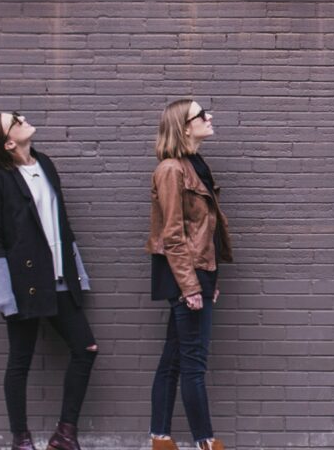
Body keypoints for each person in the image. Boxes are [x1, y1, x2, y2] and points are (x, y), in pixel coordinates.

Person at [0, 111, 97, 450]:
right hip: (24, 287)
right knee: (20, 360)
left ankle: (64, 434)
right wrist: (5, 297)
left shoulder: (45, 163)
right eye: (15, 119)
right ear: (9, 142)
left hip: (60, 279)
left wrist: (78, 273)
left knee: (86, 349)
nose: (23, 117)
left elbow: (62, 223)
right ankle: (21, 439)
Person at [148, 98, 234, 450]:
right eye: (202, 114)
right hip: (185, 274)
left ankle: (161, 438)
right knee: (194, 364)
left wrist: (211, 279)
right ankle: (206, 442)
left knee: (174, 359)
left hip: (199, 272)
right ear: (184, 127)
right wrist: (191, 285)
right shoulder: (171, 170)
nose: (209, 116)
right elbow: (173, 234)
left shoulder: (195, 164)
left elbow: (206, 230)